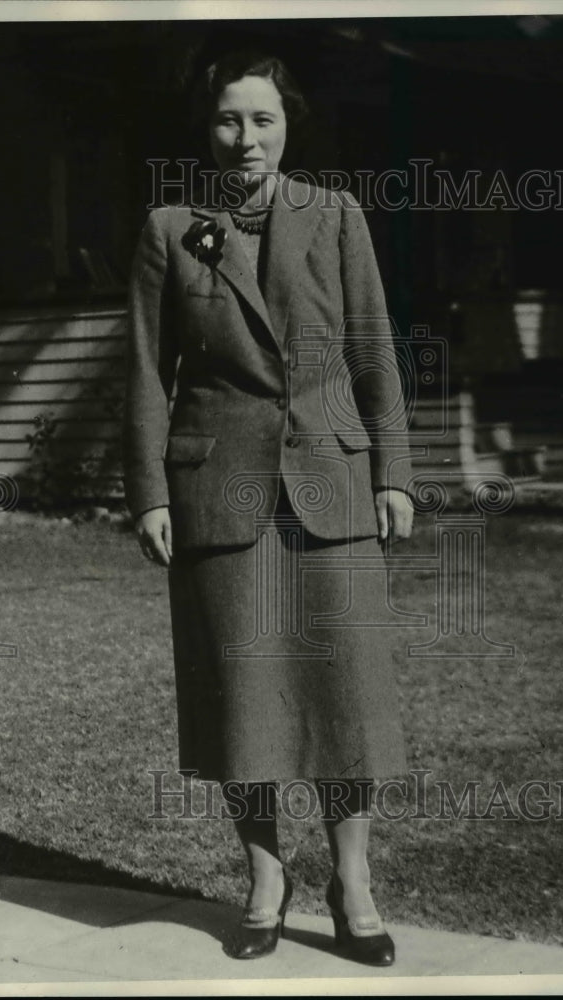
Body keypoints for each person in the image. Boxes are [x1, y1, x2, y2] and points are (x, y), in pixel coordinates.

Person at [123, 50, 414, 966]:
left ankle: (352, 881)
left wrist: (395, 473)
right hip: (216, 490)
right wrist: (148, 493)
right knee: (238, 696)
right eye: (226, 121)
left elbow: (373, 350)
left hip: (331, 481)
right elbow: (142, 371)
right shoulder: (171, 228)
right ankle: (264, 875)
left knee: (348, 693)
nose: (244, 139)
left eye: (263, 120)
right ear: (203, 129)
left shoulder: (334, 216)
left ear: (288, 126)